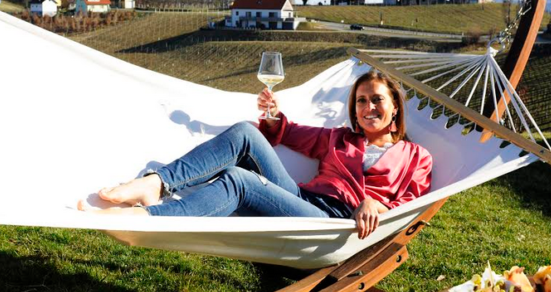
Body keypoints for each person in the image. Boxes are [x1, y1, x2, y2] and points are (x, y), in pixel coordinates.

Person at [79, 70, 432, 239]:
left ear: (395, 108)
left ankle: (153, 217)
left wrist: (376, 204)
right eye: (361, 101)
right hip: (303, 200)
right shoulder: (338, 138)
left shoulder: (416, 156)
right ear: (353, 109)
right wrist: (274, 113)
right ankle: (156, 182)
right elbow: (284, 132)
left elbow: (412, 202)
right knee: (246, 131)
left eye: (376, 100)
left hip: (336, 224)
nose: (368, 107)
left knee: (239, 180)